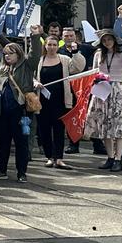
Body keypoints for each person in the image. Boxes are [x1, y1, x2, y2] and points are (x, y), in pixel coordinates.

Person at [0, 28, 43, 183]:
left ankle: (21, 172)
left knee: (21, 143)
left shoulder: (26, 66)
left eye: (11, 53)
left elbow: (35, 53)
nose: (7, 56)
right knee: (3, 142)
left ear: (18, 54)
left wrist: (36, 36)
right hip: (2, 111)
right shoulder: (1, 70)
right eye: (5, 53)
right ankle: (1, 170)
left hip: (21, 111)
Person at [85, 5, 122, 172]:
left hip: (118, 89)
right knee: (105, 126)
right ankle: (110, 157)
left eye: (109, 39)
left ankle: (119, 159)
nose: (107, 42)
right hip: (102, 90)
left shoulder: (121, 53)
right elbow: (94, 72)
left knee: (118, 126)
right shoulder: (99, 55)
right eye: (104, 40)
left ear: (114, 40)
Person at [35, 35, 84, 169]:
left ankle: (59, 158)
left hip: (61, 101)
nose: (51, 47)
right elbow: (32, 78)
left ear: (58, 46)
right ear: (45, 46)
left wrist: (75, 53)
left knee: (59, 130)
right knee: (44, 130)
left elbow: (78, 67)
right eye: (49, 45)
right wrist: (36, 83)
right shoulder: (39, 61)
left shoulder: (65, 59)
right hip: (43, 102)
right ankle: (49, 157)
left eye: (54, 45)